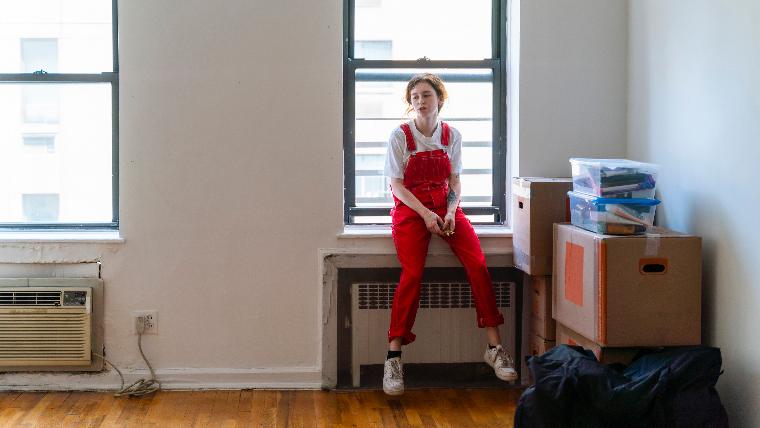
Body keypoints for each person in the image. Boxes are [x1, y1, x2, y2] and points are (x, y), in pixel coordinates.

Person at [382, 73, 517, 396]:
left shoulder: (450, 134)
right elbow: (397, 185)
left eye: (426, 95)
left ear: (439, 99)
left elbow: (454, 180)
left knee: (477, 264)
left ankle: (494, 348)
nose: (420, 101)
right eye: (414, 96)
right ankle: (393, 355)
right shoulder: (400, 136)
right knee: (412, 274)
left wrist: (450, 212)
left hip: (445, 208)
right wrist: (425, 214)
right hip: (411, 210)